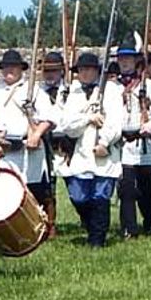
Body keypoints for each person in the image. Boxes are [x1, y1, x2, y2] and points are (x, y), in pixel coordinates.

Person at [52, 51, 119, 246]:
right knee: (78, 197)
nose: (85, 73)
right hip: (79, 154)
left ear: (97, 71)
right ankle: (91, 227)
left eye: (89, 69)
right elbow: (66, 125)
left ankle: (97, 240)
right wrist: (88, 118)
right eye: (81, 69)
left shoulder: (111, 91)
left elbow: (115, 122)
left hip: (103, 153)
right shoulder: (71, 93)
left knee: (101, 197)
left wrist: (104, 142)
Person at [0, 49, 55, 236]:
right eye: (5, 67)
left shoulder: (34, 91)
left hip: (29, 149)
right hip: (5, 150)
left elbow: (50, 118)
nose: (8, 70)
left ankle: (38, 230)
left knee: (34, 192)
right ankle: (13, 232)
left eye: (13, 66)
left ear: (21, 69)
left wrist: (36, 134)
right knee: (7, 192)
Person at [108, 45, 151, 237]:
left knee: (148, 190)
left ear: (135, 61)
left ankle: (150, 223)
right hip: (123, 144)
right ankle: (129, 229)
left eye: (128, 59)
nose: (124, 62)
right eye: (121, 59)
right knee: (126, 190)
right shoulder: (111, 87)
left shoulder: (148, 86)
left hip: (145, 145)